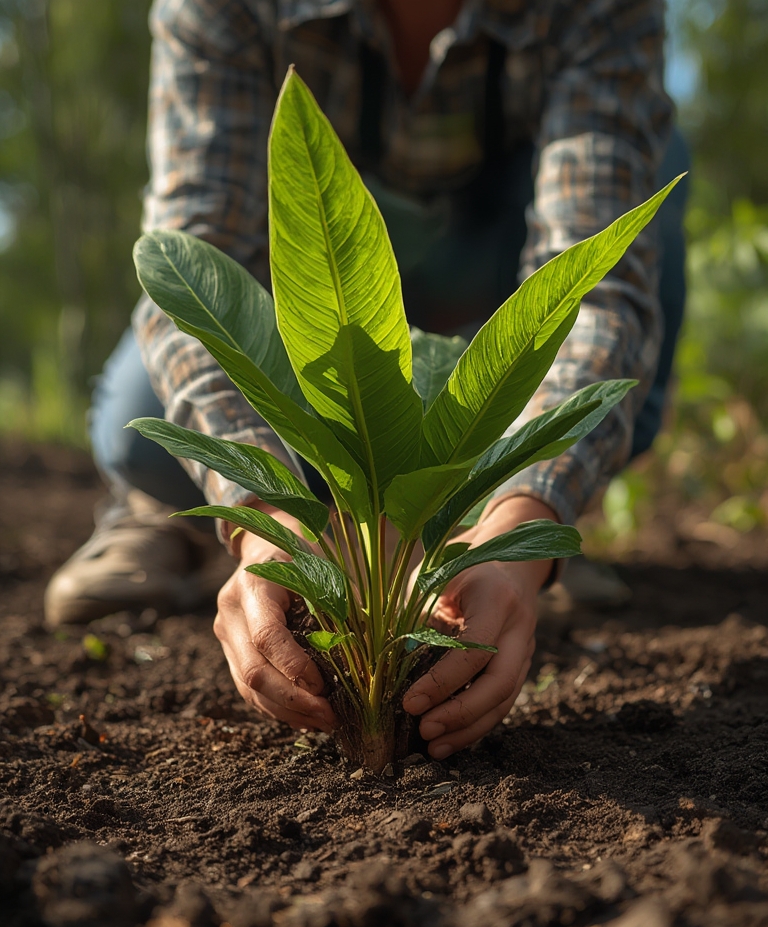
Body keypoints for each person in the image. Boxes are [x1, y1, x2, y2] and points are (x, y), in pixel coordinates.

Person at [45, 0, 689, 760]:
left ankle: (495, 537)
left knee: (655, 190)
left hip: (491, 270)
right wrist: (261, 518)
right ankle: (177, 517)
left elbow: (592, 293)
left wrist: (525, 519)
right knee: (141, 429)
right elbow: (195, 253)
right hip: (314, 297)